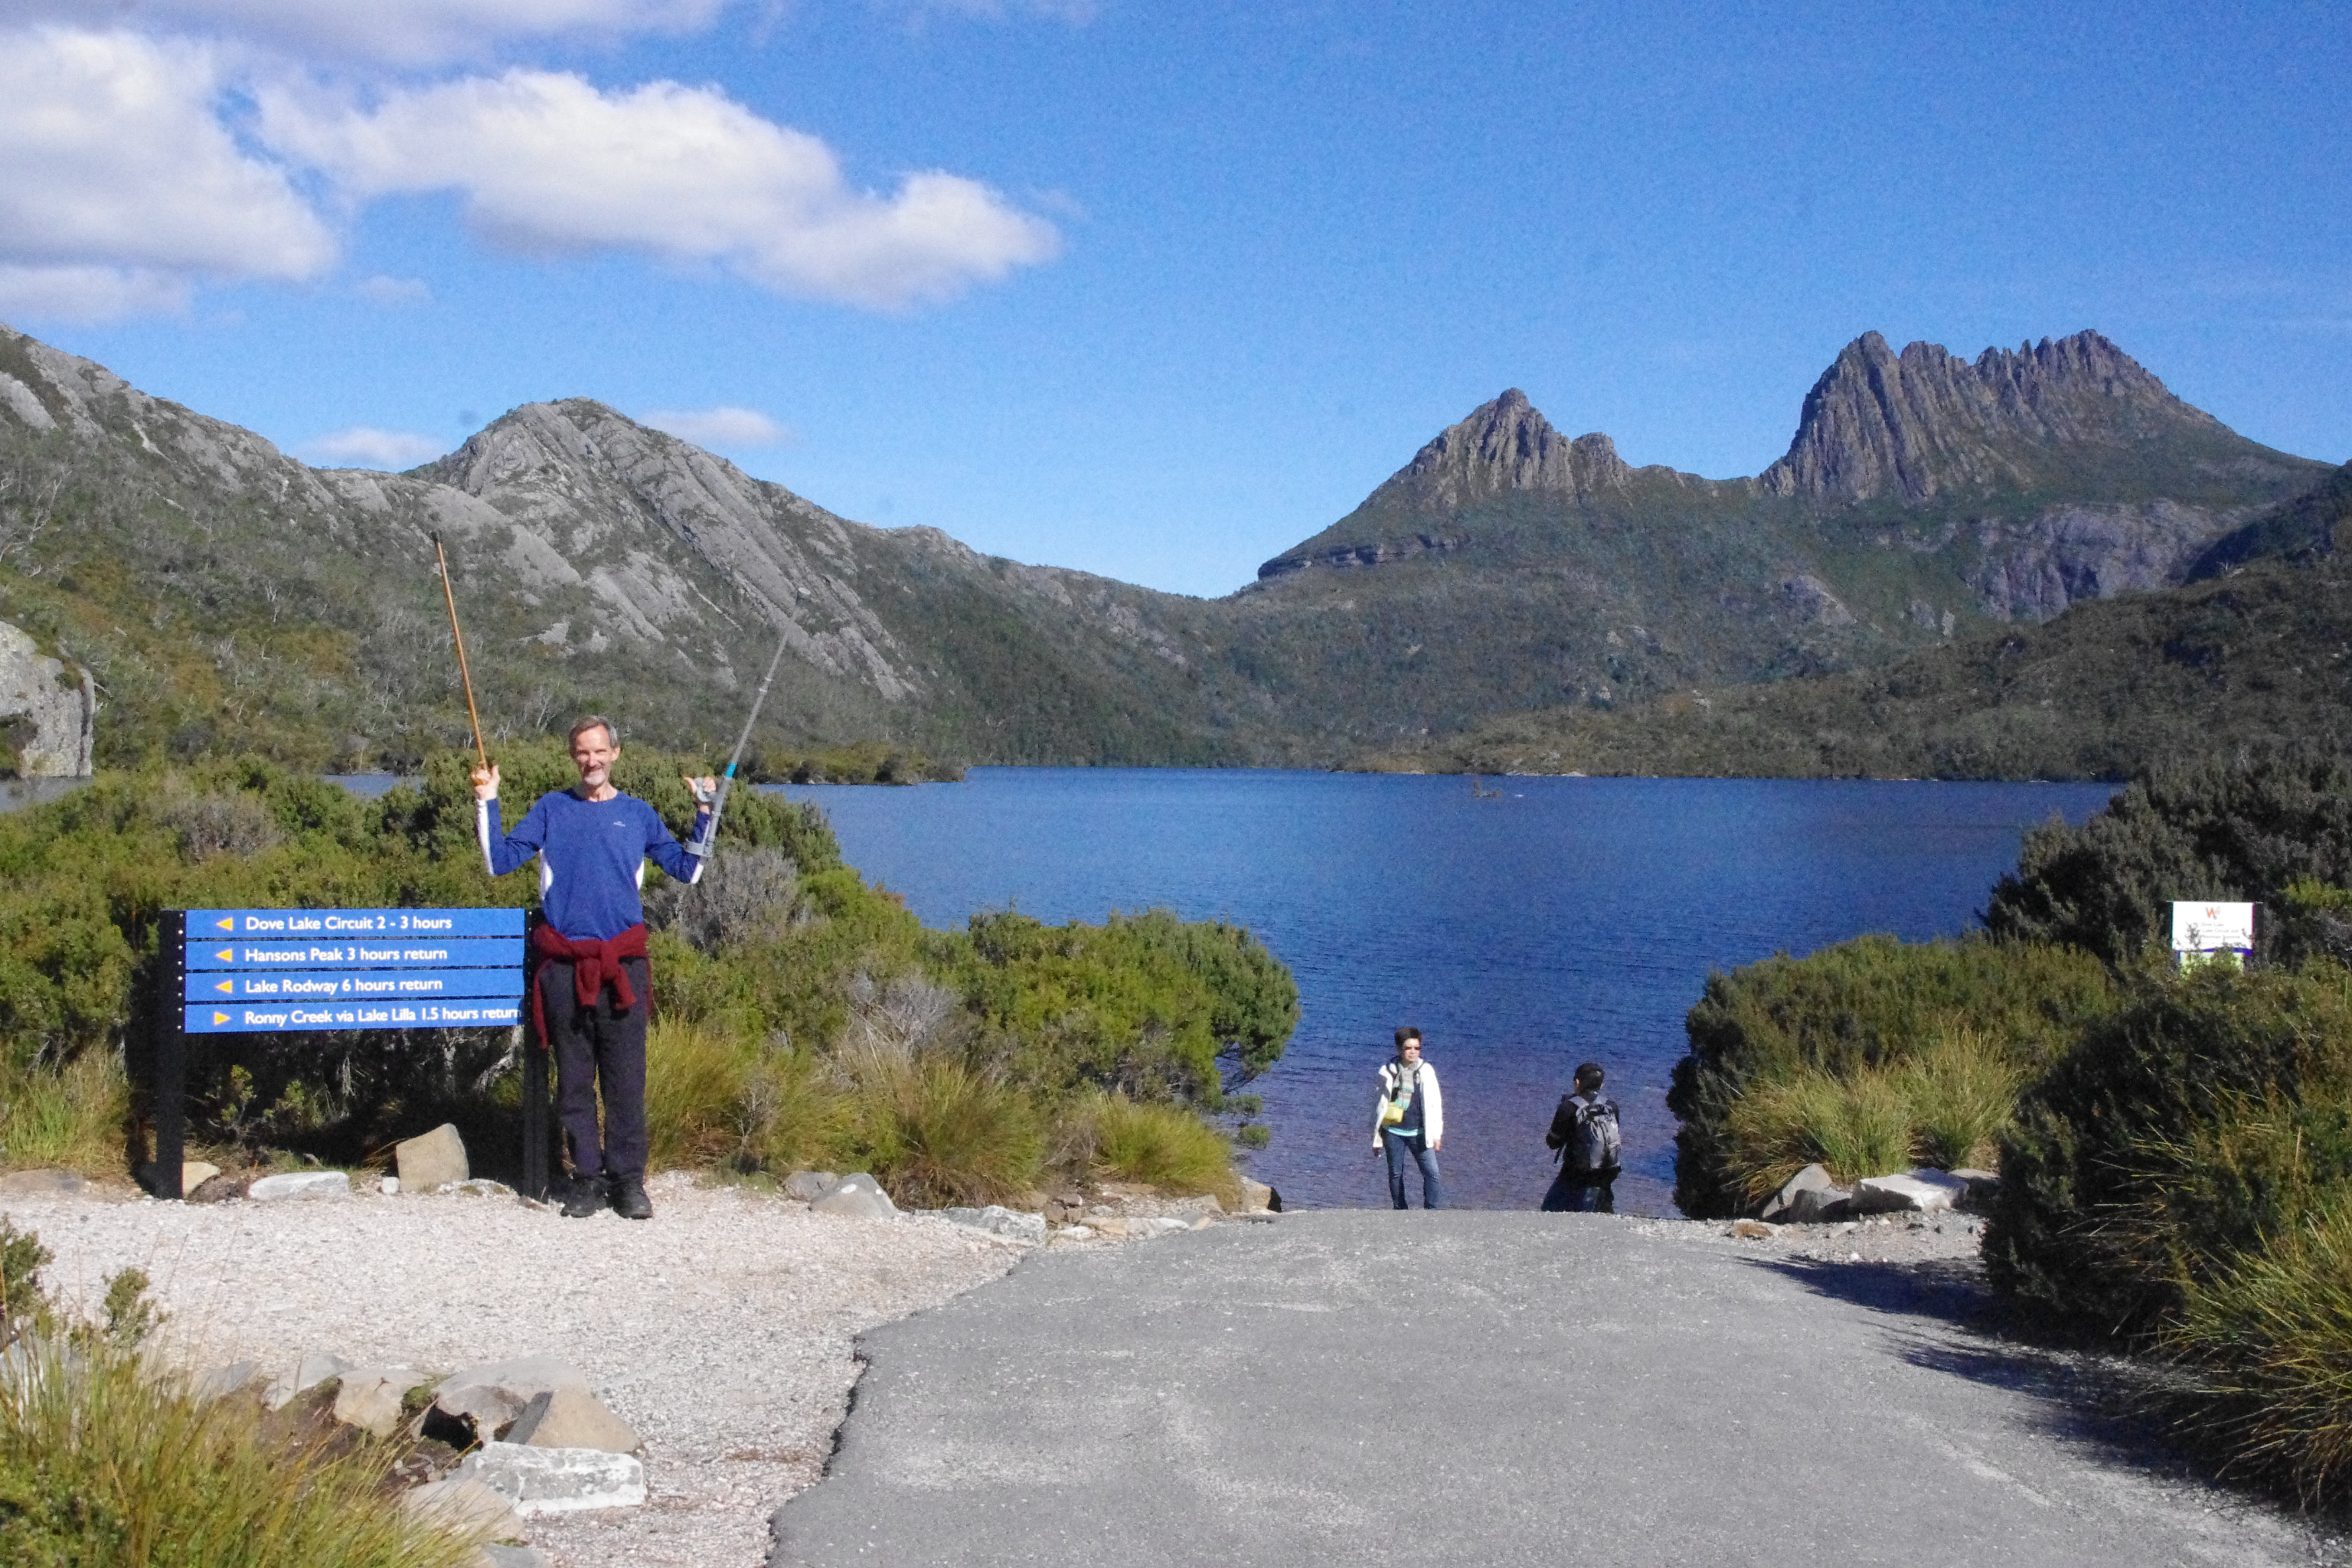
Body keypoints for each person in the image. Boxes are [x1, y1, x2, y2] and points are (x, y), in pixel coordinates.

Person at [473, 716, 714, 1220]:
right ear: (572, 757)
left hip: (623, 967)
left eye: (600, 751)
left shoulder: (638, 814)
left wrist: (705, 814)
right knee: (576, 1082)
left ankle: (628, 1183)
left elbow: (688, 870)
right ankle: (586, 1179)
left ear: (616, 754)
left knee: (626, 1082)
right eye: (583, 752)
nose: (592, 761)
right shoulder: (551, 809)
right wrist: (487, 799)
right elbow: (498, 861)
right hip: (564, 968)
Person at [1372, 1027, 1444, 1209]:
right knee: (1396, 1173)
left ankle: (1432, 1211)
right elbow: (1378, 1105)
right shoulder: (1387, 1071)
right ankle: (1400, 1210)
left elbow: (1436, 1104)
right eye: (1408, 1048)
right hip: (1392, 1131)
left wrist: (1437, 1134)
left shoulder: (1426, 1071)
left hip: (1419, 1132)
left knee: (1432, 1173)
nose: (1413, 1052)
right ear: (1399, 1049)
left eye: (1417, 1048)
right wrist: (1376, 1137)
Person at [1542, 1061, 1622, 1213]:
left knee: (1548, 1211)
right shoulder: (1611, 1107)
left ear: (1577, 1083)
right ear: (1601, 1086)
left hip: (1573, 1176)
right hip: (1605, 1176)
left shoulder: (1568, 1107)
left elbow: (1553, 1142)